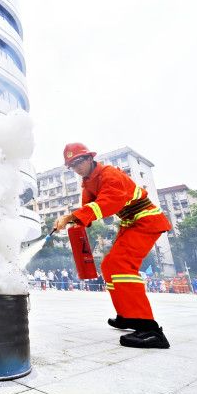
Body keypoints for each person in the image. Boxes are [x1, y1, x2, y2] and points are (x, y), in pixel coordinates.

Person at [54, 143, 171, 349]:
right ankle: (127, 315)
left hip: (146, 221)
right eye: (72, 165)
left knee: (120, 265)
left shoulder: (110, 175)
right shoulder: (88, 182)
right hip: (130, 223)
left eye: (79, 161)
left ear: (90, 158)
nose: (77, 168)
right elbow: (88, 210)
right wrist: (74, 221)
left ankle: (150, 330)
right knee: (109, 266)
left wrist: (72, 216)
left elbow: (108, 203)